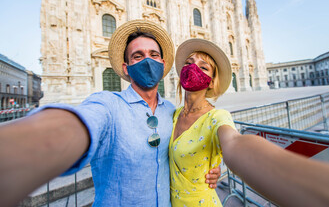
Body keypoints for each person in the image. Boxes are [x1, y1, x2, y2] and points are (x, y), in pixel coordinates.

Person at [0, 20, 220, 207]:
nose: (147, 60)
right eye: (137, 56)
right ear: (126, 67)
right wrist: (34, 145)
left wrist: (211, 166)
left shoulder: (172, 112)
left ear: (163, 64)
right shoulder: (107, 104)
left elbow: (191, 145)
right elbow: (81, 123)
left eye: (154, 55)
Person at [169, 38, 329, 207]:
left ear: (211, 82)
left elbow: (235, 144)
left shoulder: (217, 117)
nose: (193, 68)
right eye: (188, 63)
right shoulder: (174, 115)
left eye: (203, 67)